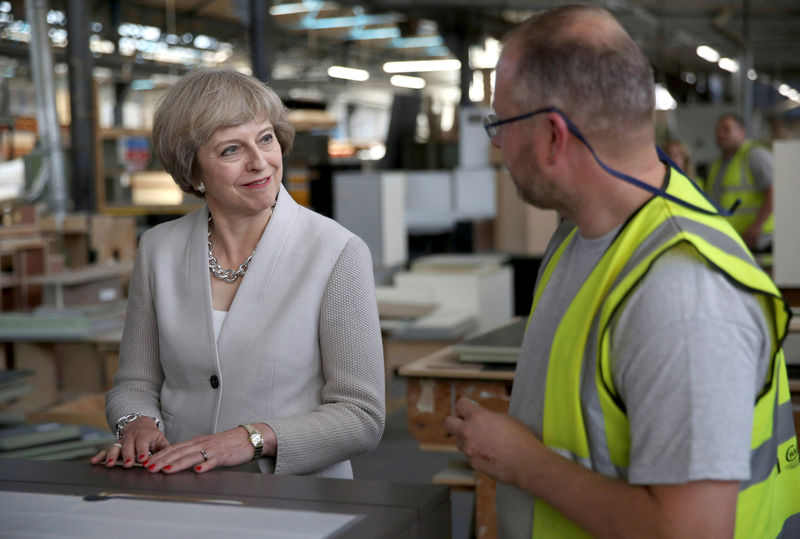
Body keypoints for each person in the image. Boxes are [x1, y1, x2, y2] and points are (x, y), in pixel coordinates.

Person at [444, 6, 799, 538]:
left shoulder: (682, 296)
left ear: (553, 136)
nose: (497, 144)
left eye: (500, 123)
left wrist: (523, 461)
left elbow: (692, 532)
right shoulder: (582, 234)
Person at [91, 68, 385, 478]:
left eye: (265, 139)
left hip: (298, 502)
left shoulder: (336, 252)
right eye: (231, 150)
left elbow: (362, 417)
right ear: (194, 171)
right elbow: (135, 384)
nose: (259, 161)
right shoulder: (158, 250)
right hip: (183, 492)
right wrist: (137, 423)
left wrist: (252, 438)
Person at [706, 113, 774, 251]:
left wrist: (757, 226)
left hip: (759, 240)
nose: (720, 134)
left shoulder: (755, 155)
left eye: (726, 129)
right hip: (732, 241)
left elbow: (774, 191)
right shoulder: (718, 164)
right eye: (717, 130)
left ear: (742, 132)